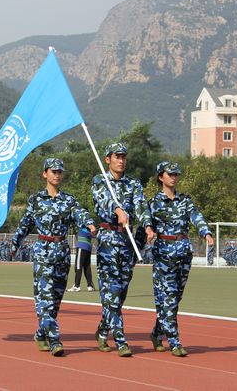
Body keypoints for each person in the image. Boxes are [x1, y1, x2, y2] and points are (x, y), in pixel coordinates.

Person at [12, 158, 96, 357]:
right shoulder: (35, 200)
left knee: (56, 300)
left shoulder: (69, 200)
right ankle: (55, 340)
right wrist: (15, 244)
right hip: (43, 252)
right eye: (53, 171)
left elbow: (80, 213)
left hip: (62, 253)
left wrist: (89, 223)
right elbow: (25, 224)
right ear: (45, 174)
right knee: (45, 299)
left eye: (60, 172)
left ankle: (41, 334)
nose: (57, 174)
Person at [92, 143, 155, 357]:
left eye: (123, 157)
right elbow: (102, 201)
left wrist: (147, 225)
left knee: (121, 292)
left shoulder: (133, 183)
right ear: (107, 159)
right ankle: (120, 339)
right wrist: (117, 209)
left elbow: (141, 205)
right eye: (117, 156)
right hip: (108, 240)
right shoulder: (100, 180)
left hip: (128, 242)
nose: (121, 160)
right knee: (111, 290)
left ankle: (103, 330)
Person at [148, 161, 214, 357]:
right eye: (170, 174)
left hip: (183, 253)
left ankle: (157, 332)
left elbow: (196, 216)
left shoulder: (185, 200)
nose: (174, 177)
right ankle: (174, 342)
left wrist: (206, 232)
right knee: (168, 297)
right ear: (161, 177)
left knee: (175, 298)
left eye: (176, 174)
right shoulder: (153, 202)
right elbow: (146, 224)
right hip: (164, 254)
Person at [67, 228, 96, 292]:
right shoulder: (88, 229)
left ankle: (76, 286)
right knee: (87, 267)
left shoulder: (83, 224)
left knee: (78, 266)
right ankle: (90, 286)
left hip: (82, 247)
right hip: (88, 247)